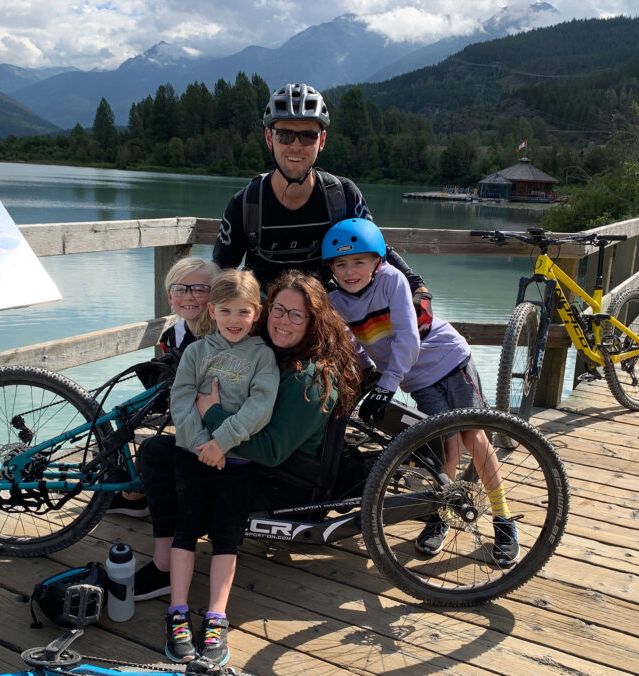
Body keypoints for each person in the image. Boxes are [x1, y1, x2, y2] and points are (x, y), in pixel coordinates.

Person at [136, 270, 361, 662]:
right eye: (280, 310)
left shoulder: (310, 376)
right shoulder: (270, 352)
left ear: (313, 321)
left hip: (280, 479)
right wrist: (205, 440)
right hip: (230, 452)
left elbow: (271, 449)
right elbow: (190, 391)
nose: (284, 321)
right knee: (158, 453)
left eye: (297, 315)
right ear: (266, 311)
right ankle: (166, 567)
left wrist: (215, 423)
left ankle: (211, 611)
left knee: (199, 504)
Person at [321, 218, 519, 565]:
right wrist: (365, 375)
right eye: (341, 264)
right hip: (416, 379)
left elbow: (407, 337)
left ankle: (503, 519)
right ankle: (444, 513)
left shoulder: (391, 281)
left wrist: (387, 383)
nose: (350, 271)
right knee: (447, 442)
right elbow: (354, 341)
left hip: (449, 359)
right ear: (331, 268)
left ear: (377, 261)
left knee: (473, 435)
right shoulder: (335, 299)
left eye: (359, 261)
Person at [212, 82, 434, 338]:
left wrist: (418, 288)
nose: (296, 146)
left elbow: (377, 252)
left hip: (327, 324)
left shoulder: (342, 196)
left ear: (322, 140)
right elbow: (220, 274)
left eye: (308, 136)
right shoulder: (246, 204)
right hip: (264, 329)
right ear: (268, 137)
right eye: (284, 135)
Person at [160, 268, 278, 665]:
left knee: (227, 535)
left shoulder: (263, 356)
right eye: (226, 311)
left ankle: (216, 616)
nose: (234, 320)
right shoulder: (196, 351)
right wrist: (200, 446)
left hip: (238, 460)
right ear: (212, 310)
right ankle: (177, 610)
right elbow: (181, 400)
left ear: (257, 313)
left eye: (243, 312)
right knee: (186, 529)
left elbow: (259, 408)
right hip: (192, 457)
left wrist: (222, 443)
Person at [107, 257, 220, 517]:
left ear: (216, 295)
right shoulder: (172, 335)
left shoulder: (225, 332)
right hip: (190, 418)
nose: (189, 296)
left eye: (200, 289)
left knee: (153, 447)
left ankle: (137, 495)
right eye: (180, 289)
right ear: (170, 297)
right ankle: (136, 494)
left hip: (217, 426)